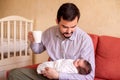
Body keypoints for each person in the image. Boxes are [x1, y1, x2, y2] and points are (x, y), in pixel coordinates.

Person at [8, 2, 95, 80]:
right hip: (48, 74)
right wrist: (33, 41)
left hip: (67, 78)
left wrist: (58, 76)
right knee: (14, 74)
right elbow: (37, 50)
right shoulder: (49, 32)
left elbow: (89, 77)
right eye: (65, 27)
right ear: (57, 21)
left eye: (73, 27)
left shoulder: (85, 40)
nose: (69, 31)